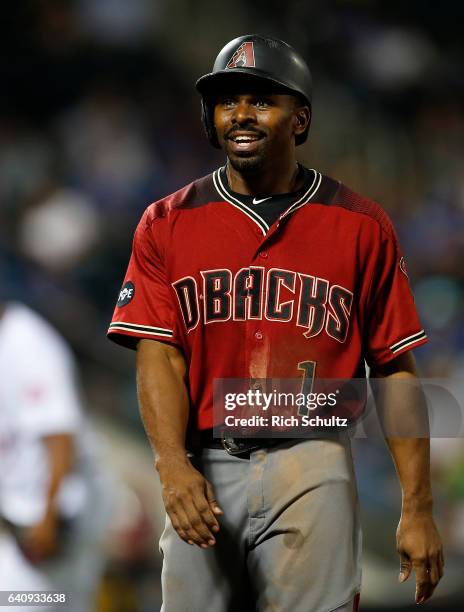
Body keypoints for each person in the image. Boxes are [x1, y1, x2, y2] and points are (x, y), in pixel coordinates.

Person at [108, 35, 444, 611]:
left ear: (301, 118)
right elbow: (159, 355)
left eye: (261, 100)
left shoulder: (361, 225)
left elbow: (395, 369)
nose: (240, 113)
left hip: (312, 458)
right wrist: (170, 466)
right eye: (226, 101)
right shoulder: (165, 222)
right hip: (203, 465)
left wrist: (417, 508)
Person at [0, 301, 112, 611]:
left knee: (19, 602)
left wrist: (48, 515)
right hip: (30, 516)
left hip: (59, 515)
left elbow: (61, 436)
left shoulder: (27, 343)